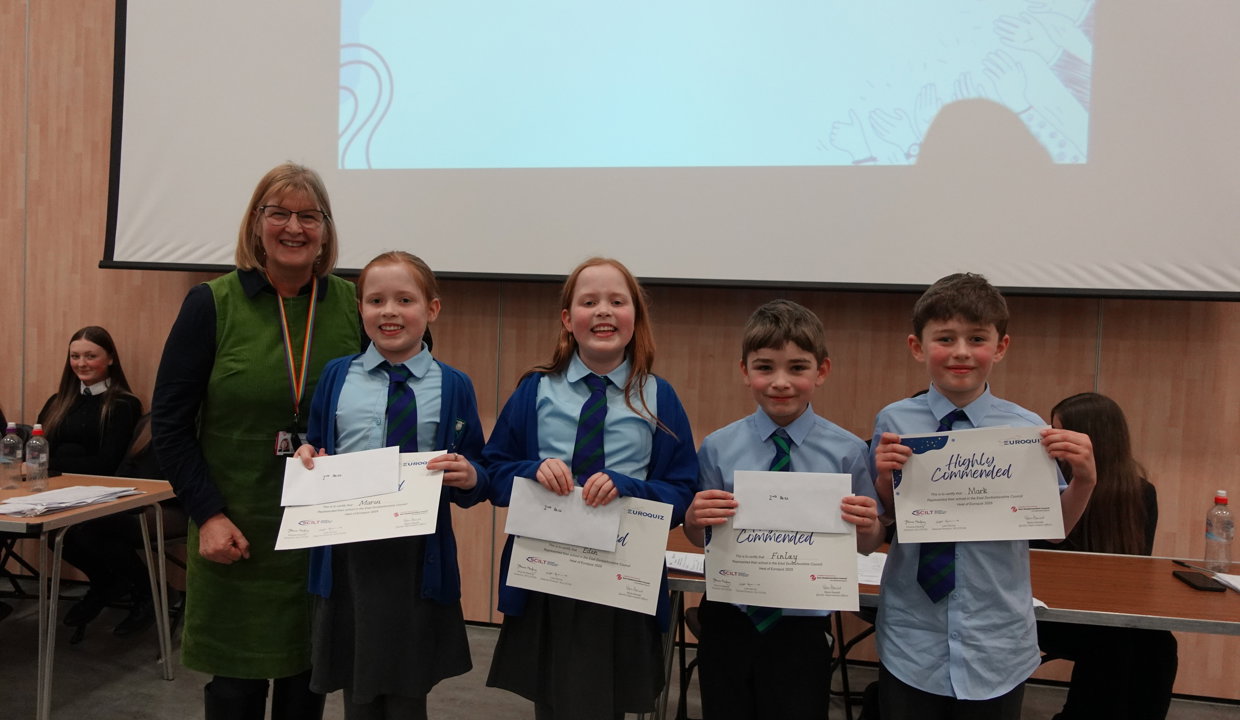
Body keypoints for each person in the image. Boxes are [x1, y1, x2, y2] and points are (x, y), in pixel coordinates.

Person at [152, 162, 361, 720]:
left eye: (308, 216)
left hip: (320, 536)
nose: (294, 227)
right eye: (279, 214)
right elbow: (169, 425)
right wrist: (207, 514)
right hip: (236, 530)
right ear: (256, 226)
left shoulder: (355, 305)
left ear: (325, 231)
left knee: (306, 685)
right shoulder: (210, 305)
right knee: (235, 690)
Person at [869, 272, 1096, 720]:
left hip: (996, 641)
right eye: (945, 338)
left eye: (976, 338)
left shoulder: (1026, 429)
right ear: (917, 346)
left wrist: (1085, 480)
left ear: (1001, 347)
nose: (960, 352)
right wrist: (883, 481)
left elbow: (1054, 529)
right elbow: (892, 514)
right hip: (912, 637)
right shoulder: (894, 419)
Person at [482, 257, 698, 720]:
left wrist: (630, 488)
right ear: (567, 319)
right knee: (552, 703)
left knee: (606, 703)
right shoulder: (535, 391)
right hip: (548, 577)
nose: (603, 311)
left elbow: (682, 491)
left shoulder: (658, 397)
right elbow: (494, 472)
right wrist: (533, 471)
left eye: (617, 301)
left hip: (621, 577)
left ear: (635, 317)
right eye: (589, 301)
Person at [293, 251, 489, 719]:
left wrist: (471, 475)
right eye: (376, 300)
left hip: (419, 558)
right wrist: (305, 456)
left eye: (405, 299)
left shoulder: (454, 384)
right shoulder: (337, 377)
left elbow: (480, 469)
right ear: (360, 309)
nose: (390, 311)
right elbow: (314, 444)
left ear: (431, 309)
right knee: (356, 687)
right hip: (348, 557)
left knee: (407, 690)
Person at [683, 299, 885, 719]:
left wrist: (868, 526)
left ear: (821, 371)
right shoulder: (719, 447)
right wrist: (692, 518)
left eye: (797, 367)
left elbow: (868, 542)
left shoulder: (848, 451)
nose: (780, 382)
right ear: (744, 371)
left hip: (801, 625)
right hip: (729, 616)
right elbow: (699, 536)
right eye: (764, 367)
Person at [1033, 392, 1177, 720]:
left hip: (1103, 612)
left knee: (1159, 643)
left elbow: (1135, 567)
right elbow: (1041, 555)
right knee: (1115, 642)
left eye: (1060, 433)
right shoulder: (1048, 486)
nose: (1051, 443)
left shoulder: (1139, 493)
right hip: (1047, 611)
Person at [37, 326, 147, 635]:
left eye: (90, 356)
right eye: (75, 356)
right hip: (54, 493)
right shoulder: (58, 401)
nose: (81, 363)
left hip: (101, 495)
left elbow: (104, 463)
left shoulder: (123, 404)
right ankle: (107, 584)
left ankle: (142, 591)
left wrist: (54, 462)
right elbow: (36, 453)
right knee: (50, 534)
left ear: (110, 358)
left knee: (83, 533)